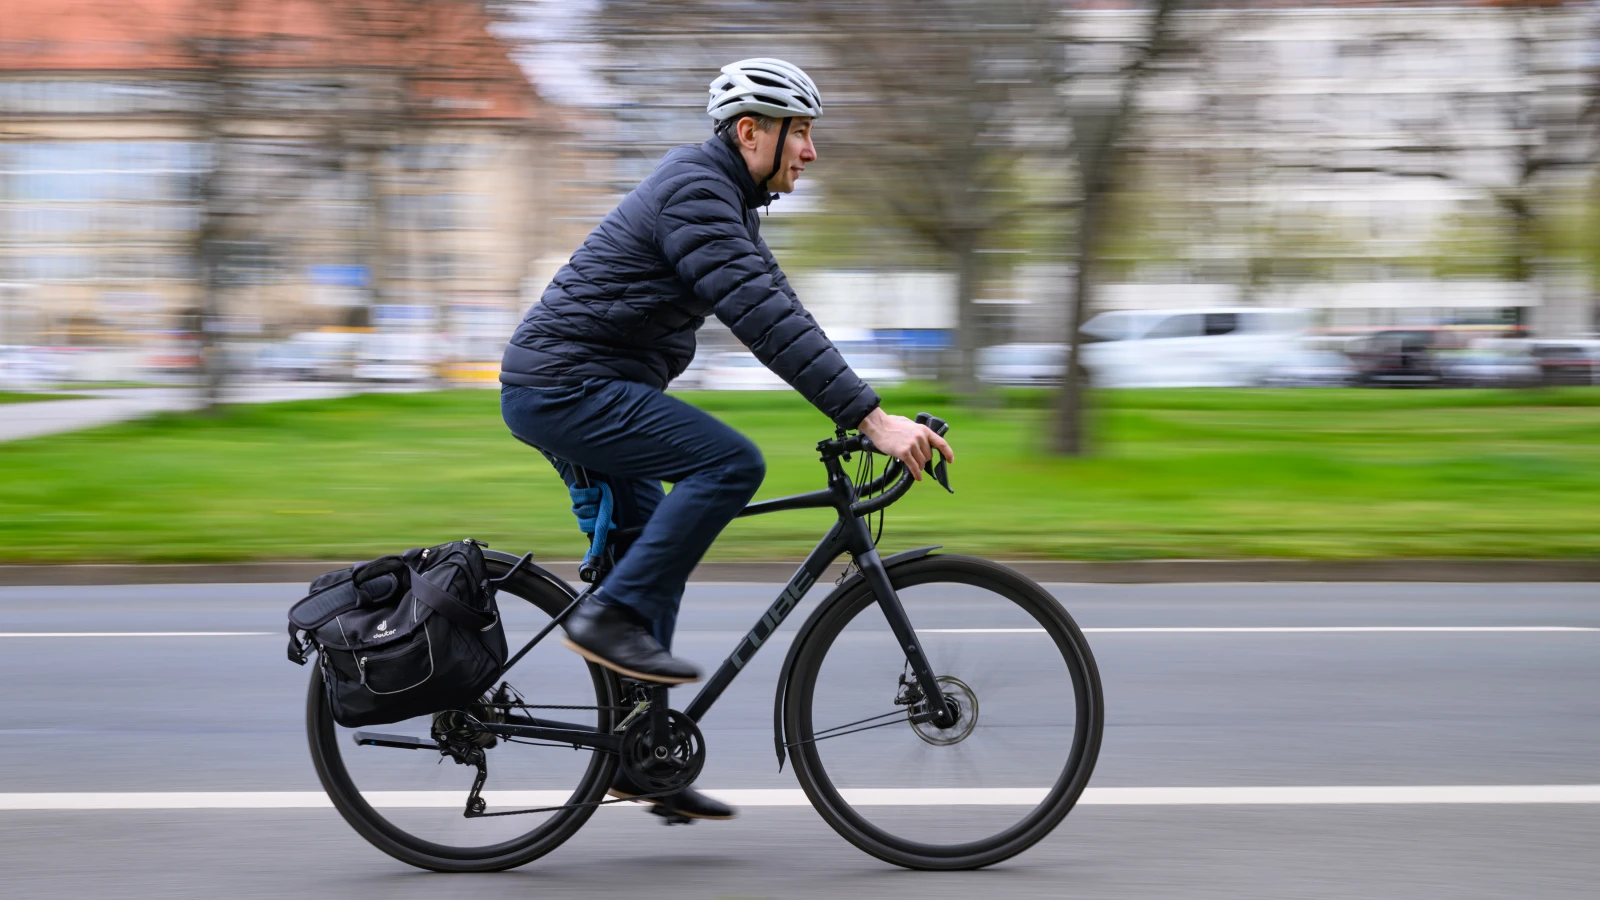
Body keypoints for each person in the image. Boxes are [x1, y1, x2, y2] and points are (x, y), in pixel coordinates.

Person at [499, 58, 954, 822]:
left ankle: (642, 757)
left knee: (653, 554)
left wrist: (873, 412)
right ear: (752, 132)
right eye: (800, 133)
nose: (809, 152)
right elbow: (763, 323)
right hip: (566, 388)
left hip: (588, 389)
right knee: (729, 462)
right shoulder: (697, 195)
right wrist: (871, 422)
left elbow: (784, 309)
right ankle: (606, 620)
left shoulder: (723, 203)